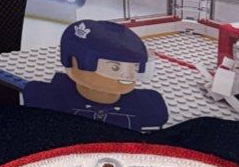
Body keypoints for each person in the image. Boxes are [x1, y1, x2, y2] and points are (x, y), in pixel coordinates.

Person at [23, 19, 169, 131]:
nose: (129, 75)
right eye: (115, 67)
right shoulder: (44, 98)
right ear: (75, 63)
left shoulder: (149, 106)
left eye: (135, 67)